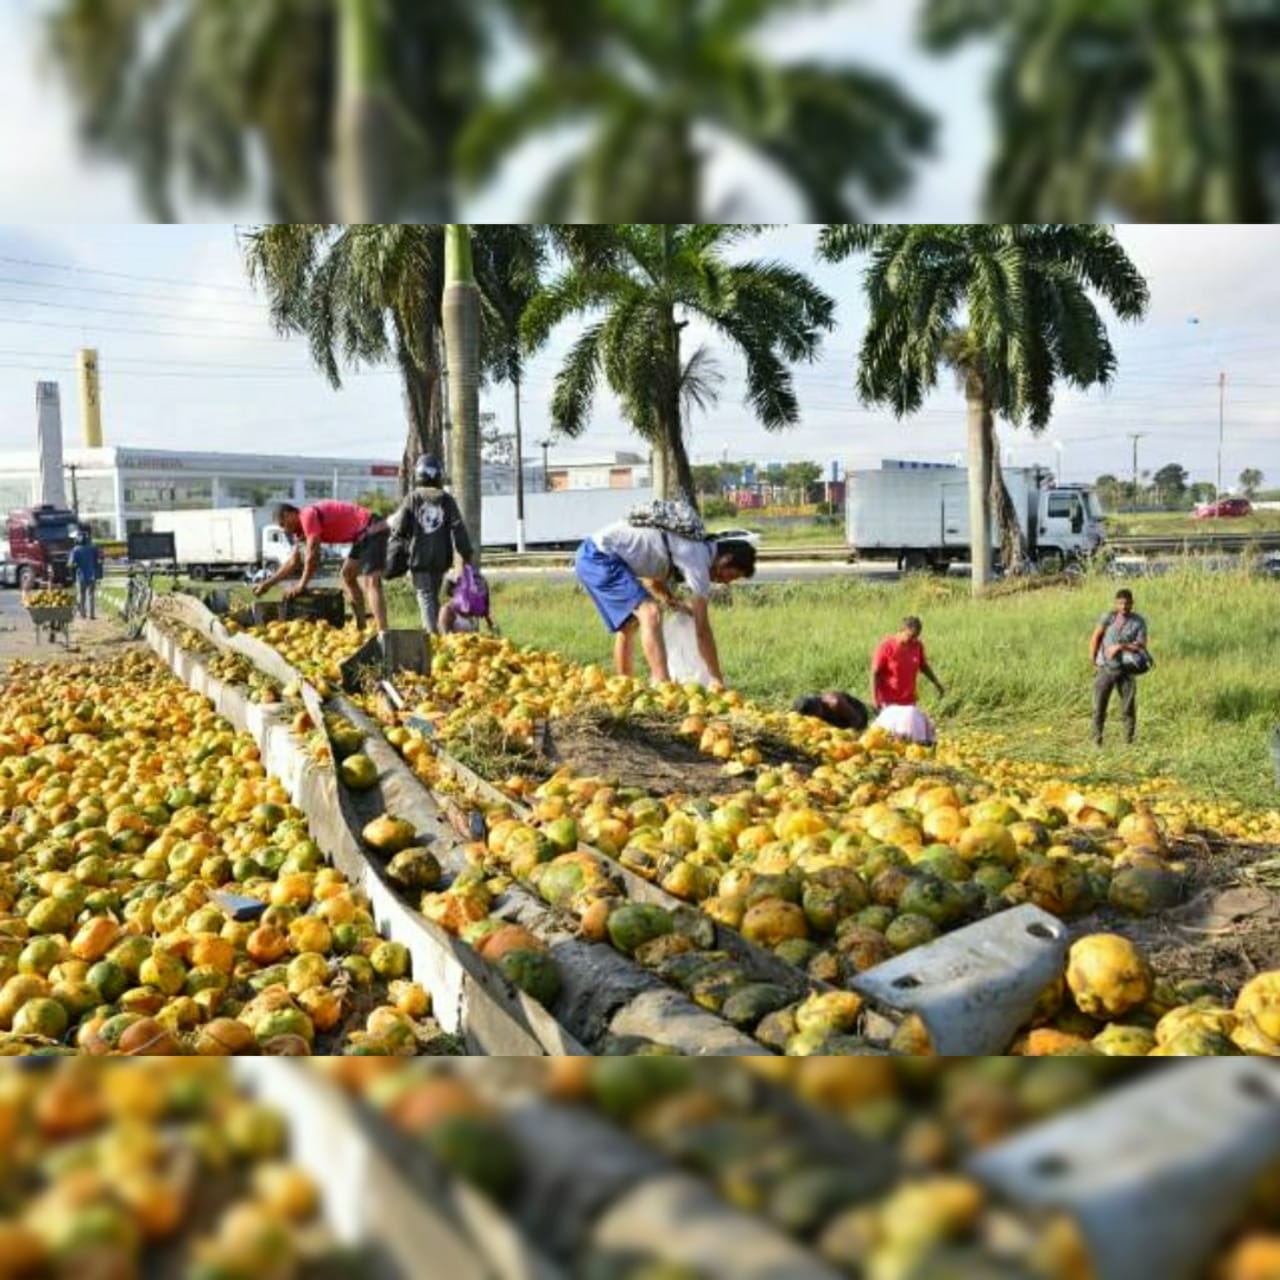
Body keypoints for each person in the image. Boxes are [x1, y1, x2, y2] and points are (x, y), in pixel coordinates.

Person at [574, 521, 757, 687]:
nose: (725, 582)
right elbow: (703, 631)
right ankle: (663, 684)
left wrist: (671, 601)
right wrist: (716, 678)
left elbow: (652, 578)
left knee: (630, 624)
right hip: (599, 557)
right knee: (650, 613)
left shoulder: (692, 547)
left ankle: (624, 685)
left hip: (592, 553)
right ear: (725, 559)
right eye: (730, 575)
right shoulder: (698, 559)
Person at [254, 499, 389, 633]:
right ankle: (362, 626)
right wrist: (267, 584)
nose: (285, 529)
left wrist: (302, 585)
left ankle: (383, 633)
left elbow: (313, 555)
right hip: (361, 537)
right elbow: (292, 562)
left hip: (373, 528)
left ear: (289, 514)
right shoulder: (299, 532)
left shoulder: (307, 515)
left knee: (371, 581)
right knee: (347, 575)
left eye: (284, 524)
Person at [388, 456, 474, 633]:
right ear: (439, 476)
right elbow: (459, 529)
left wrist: (392, 552)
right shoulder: (447, 500)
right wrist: (466, 553)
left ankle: (431, 636)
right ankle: (437, 632)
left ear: (418, 475)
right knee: (432, 596)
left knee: (425, 595)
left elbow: (399, 528)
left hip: (419, 557)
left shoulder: (412, 498)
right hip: (441, 559)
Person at [1089, 587, 1148, 746]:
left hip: (1127, 670)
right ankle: (1096, 742)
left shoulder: (1138, 621)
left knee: (1128, 709)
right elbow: (1096, 637)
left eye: (1127, 603)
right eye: (1121, 603)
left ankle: (1128, 743)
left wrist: (1120, 647)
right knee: (1099, 707)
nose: (1124, 607)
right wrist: (1093, 659)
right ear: (1116, 603)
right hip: (1106, 669)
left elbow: (1141, 645)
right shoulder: (1108, 617)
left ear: (1132, 603)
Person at [872, 615, 944, 711]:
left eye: (916, 636)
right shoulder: (886, 646)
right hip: (889, 701)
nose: (913, 639)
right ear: (902, 630)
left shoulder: (917, 645)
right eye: (911, 636)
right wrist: (875, 699)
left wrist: (936, 683)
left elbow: (923, 666)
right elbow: (875, 673)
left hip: (908, 701)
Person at [438, 569, 498, 635]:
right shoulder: (447, 610)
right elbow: (446, 638)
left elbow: (494, 626)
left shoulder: (476, 606)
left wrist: (494, 627)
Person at [68, 528, 102, 620]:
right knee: (91, 596)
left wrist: (74, 565)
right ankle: (92, 615)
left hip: (81, 576)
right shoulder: (93, 548)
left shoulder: (75, 550)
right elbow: (98, 561)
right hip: (92, 575)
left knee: (82, 596)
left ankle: (83, 614)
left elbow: (71, 564)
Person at [793, 691, 869, 732]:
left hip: (858, 715)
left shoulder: (835, 703)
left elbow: (857, 721)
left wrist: (854, 735)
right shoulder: (809, 716)